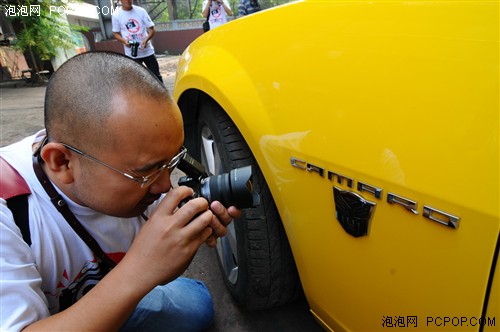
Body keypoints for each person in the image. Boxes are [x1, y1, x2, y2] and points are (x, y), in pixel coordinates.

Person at [0, 51, 241, 331]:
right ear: (62, 162)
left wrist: (175, 250)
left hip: (104, 295)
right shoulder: (10, 207)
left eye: (171, 162)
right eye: (146, 172)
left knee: (196, 306)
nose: (165, 186)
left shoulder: (117, 158)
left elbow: (158, 275)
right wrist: (138, 269)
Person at [112, 0, 163, 83]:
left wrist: (146, 40)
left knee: (156, 76)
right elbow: (115, 33)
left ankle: (162, 96)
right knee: (135, 80)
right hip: (132, 54)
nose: (128, 1)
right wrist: (124, 41)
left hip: (147, 52)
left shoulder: (141, 11)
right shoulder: (116, 15)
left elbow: (152, 29)